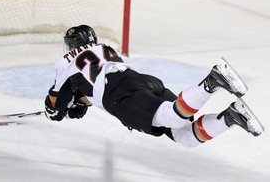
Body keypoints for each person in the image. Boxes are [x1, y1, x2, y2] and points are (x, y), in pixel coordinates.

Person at [44, 25, 263, 147]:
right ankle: (231, 116)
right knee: (184, 136)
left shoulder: (66, 62)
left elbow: (55, 104)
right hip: (141, 81)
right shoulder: (104, 48)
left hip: (120, 94)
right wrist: (80, 102)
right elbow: (93, 82)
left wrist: (58, 109)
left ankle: (212, 82)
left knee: (174, 117)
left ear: (72, 45)